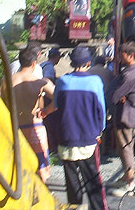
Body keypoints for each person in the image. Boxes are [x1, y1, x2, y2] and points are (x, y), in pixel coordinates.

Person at [39, 47, 108, 210]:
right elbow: (101, 110)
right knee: (92, 178)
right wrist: (100, 131)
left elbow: (55, 105)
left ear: (72, 63)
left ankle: (76, 206)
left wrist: (44, 112)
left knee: (71, 178)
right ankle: (97, 207)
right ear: (88, 63)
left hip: (66, 137)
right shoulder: (95, 82)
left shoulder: (63, 81)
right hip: (87, 138)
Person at [12, 45, 55, 183]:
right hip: (35, 127)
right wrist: (46, 111)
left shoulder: (7, 81)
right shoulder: (40, 82)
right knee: (39, 170)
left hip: (15, 128)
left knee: (18, 168)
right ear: (34, 63)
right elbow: (61, 97)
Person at [108, 42, 135, 197]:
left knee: (126, 149)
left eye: (122, 54)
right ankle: (125, 176)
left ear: (130, 56)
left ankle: (130, 184)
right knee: (125, 147)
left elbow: (115, 95)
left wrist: (116, 96)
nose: (119, 57)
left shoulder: (130, 75)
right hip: (130, 114)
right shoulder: (134, 71)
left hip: (126, 116)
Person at [40, 47, 62, 154]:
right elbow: (46, 80)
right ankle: (52, 147)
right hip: (47, 98)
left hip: (43, 98)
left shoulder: (43, 64)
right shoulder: (49, 67)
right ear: (56, 57)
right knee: (51, 123)